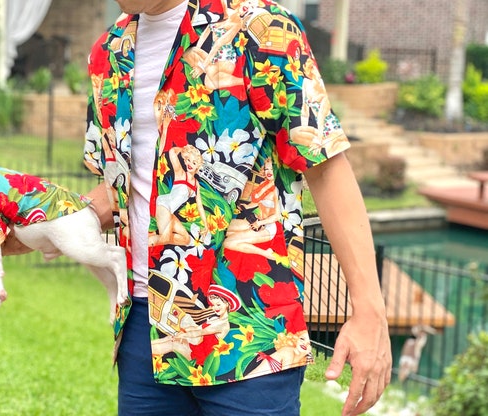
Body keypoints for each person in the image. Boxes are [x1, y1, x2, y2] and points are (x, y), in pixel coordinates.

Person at [81, 1, 392, 415]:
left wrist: (369, 312)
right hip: (145, 327)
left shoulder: (261, 30)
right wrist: (33, 217)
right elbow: (125, 187)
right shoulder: (108, 52)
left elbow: (326, 168)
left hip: (250, 333)